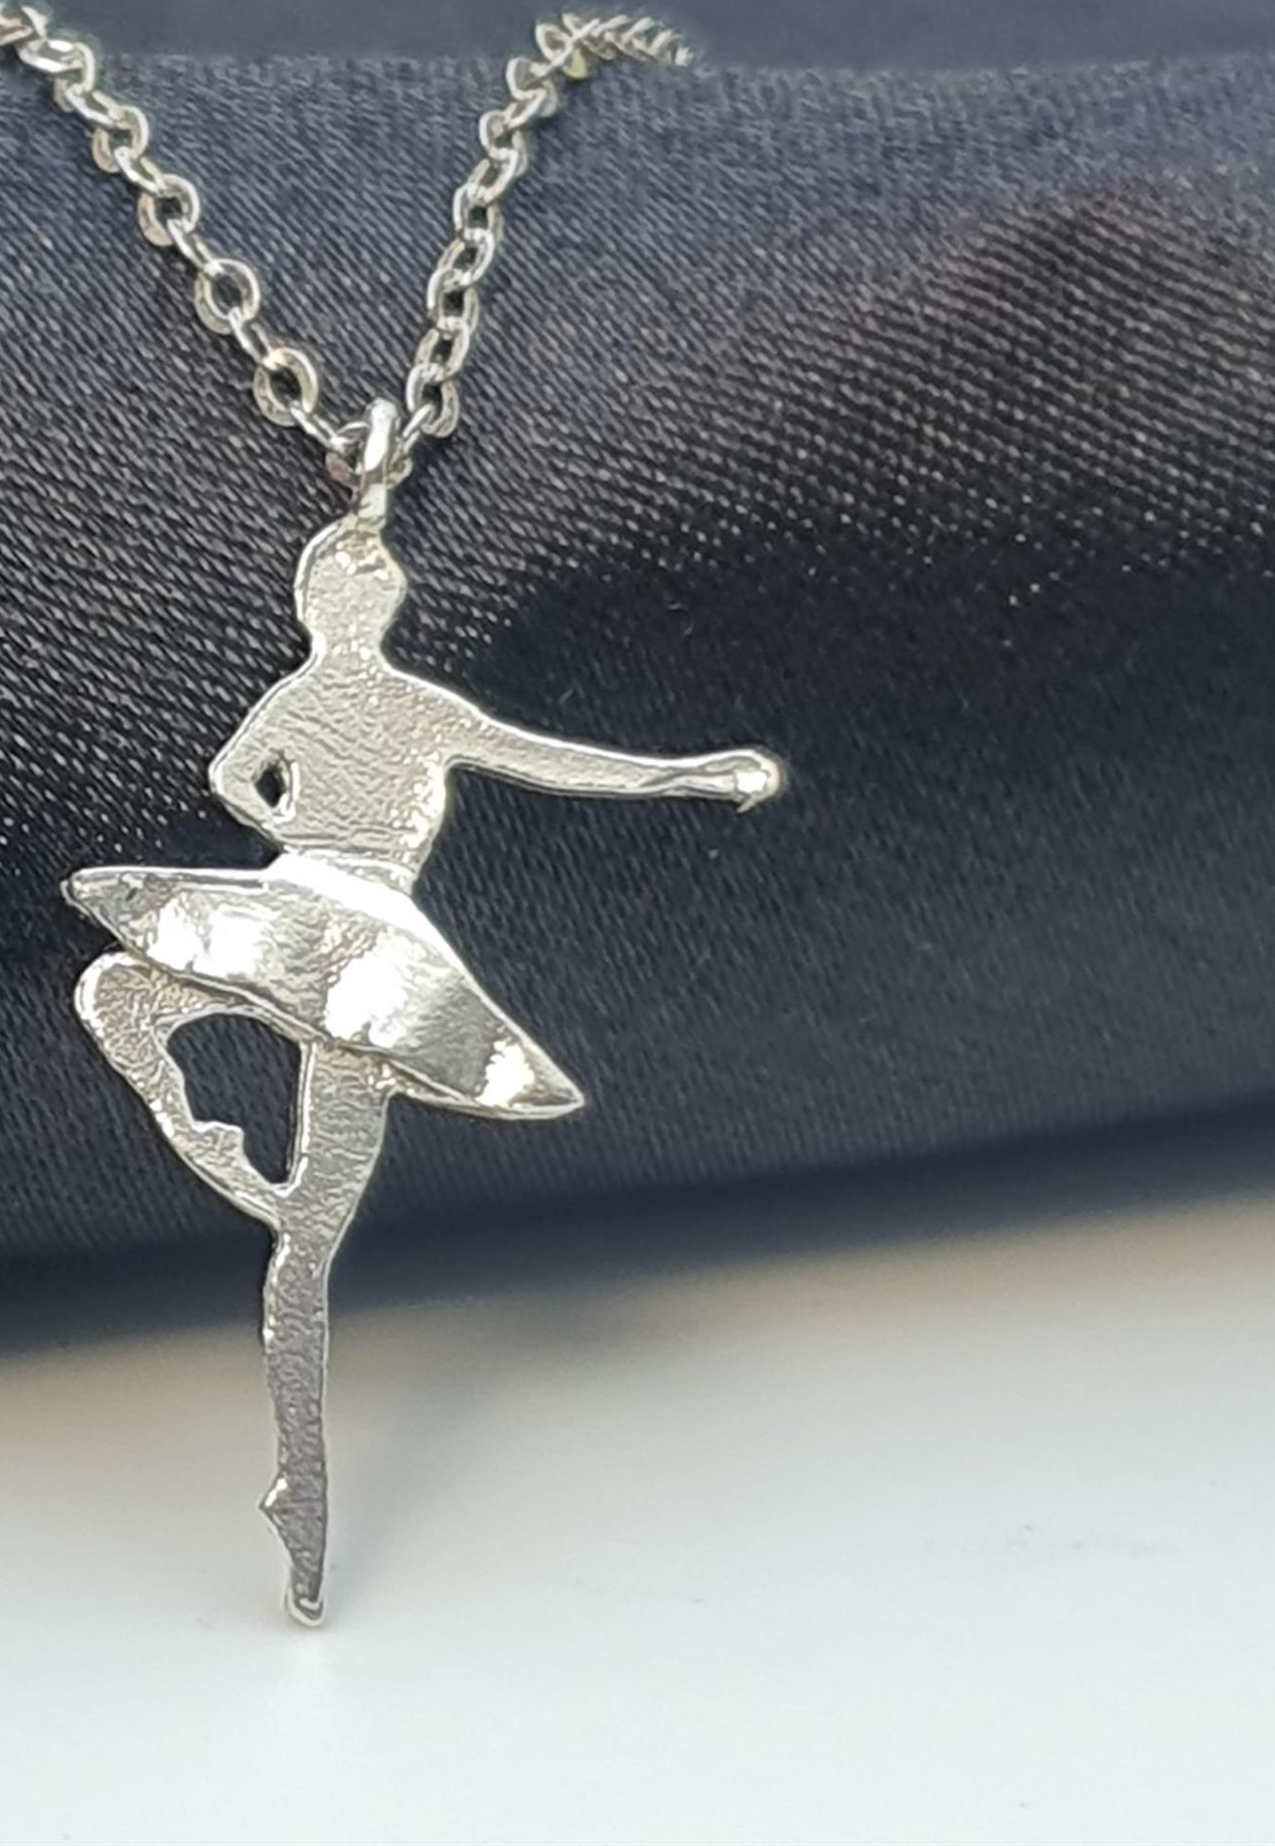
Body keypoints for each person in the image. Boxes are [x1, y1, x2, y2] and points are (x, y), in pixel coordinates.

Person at [66, 514, 784, 1621]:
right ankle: (214, 1161)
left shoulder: (367, 705)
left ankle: (302, 1490)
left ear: (361, 609)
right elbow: (237, 779)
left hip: (357, 948)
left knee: (294, 1226)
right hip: (329, 930)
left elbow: (253, 779)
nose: (352, 610)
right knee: (136, 1016)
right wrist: (315, 847)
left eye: (362, 597)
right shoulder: (347, 704)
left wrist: (683, 774)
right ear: (325, 608)